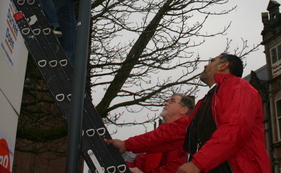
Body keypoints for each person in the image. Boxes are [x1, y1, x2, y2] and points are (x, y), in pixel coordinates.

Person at [106, 54, 271, 173]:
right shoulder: (207, 102)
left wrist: (198, 163)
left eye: (211, 60)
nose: (206, 65)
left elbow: (235, 129)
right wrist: (127, 145)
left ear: (223, 65)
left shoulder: (239, 87)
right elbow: (172, 133)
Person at [127, 93, 195, 173]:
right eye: (167, 101)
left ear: (183, 110)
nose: (166, 103)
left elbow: (178, 168)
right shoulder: (159, 139)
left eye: (172, 101)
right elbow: (141, 163)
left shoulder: (188, 136)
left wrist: (125, 145)